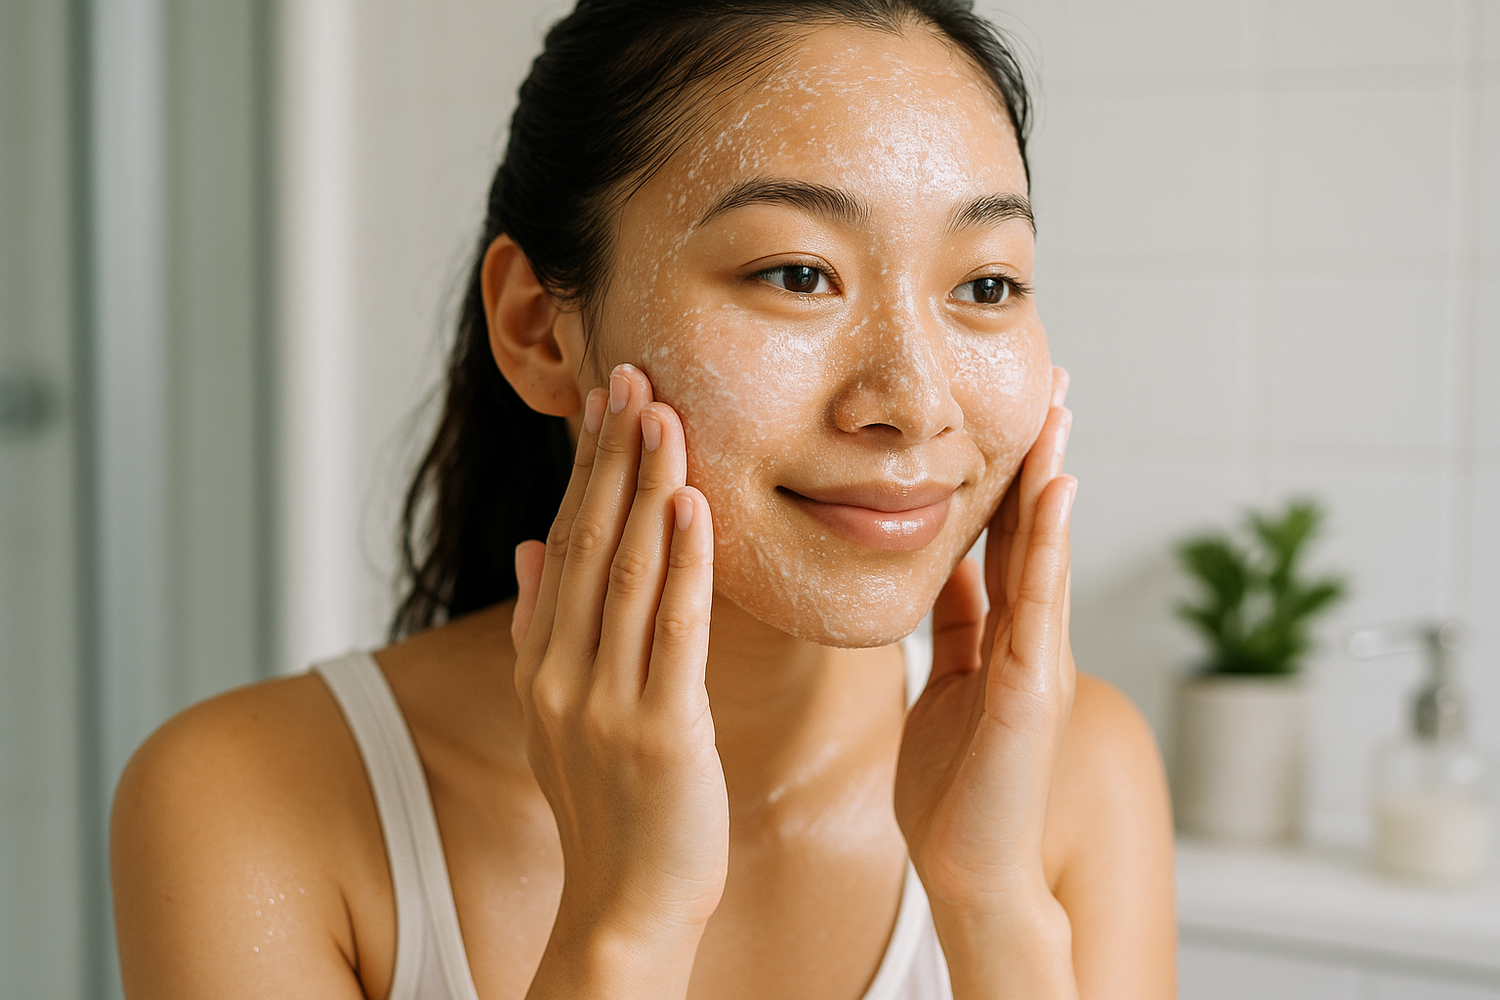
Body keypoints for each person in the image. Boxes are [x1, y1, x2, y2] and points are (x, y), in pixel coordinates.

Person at [110, 1, 1176, 997]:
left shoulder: (1078, 767)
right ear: (539, 327)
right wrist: (626, 925)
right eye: (797, 273)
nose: (913, 401)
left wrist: (994, 911)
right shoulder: (247, 801)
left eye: (985, 285)